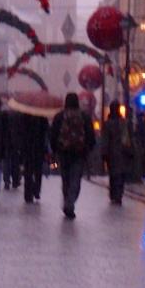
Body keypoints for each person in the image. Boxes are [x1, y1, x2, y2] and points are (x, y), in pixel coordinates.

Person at [50, 91, 96, 219]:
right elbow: (90, 135)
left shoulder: (59, 116)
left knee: (65, 179)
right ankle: (70, 202)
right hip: (79, 153)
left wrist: (54, 150)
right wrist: (88, 149)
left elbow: (53, 134)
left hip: (63, 152)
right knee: (76, 179)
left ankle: (67, 201)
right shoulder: (84, 117)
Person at [100, 99, 132, 205]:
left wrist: (104, 153)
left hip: (112, 153)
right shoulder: (124, 122)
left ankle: (114, 193)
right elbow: (129, 137)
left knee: (113, 174)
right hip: (123, 152)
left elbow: (105, 139)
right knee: (121, 174)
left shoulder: (107, 124)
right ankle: (119, 194)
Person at [18, 109, 49, 204]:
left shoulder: (24, 116)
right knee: (38, 171)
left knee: (28, 171)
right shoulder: (42, 117)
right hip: (39, 148)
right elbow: (46, 132)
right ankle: (36, 190)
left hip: (27, 147)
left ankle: (28, 194)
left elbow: (21, 132)